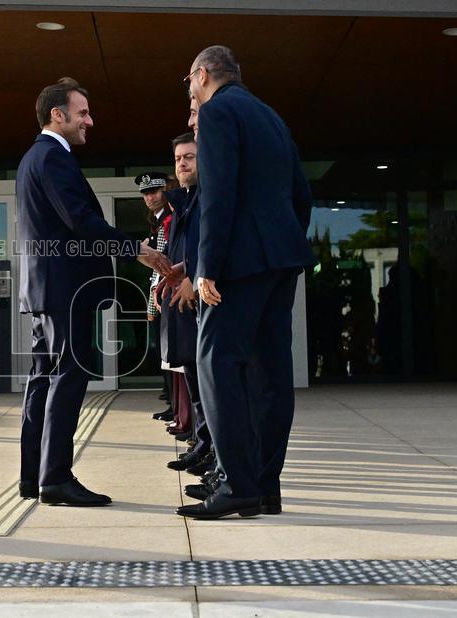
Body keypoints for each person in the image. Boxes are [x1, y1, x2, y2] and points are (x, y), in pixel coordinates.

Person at [16, 77, 172, 506]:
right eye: (82, 112)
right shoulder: (53, 157)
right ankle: (56, 479)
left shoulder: (35, 157)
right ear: (57, 114)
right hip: (66, 289)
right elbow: (80, 220)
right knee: (67, 377)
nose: (90, 120)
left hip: (46, 289)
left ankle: (34, 475)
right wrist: (132, 249)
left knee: (42, 380)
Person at [176, 45, 315, 520]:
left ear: (202, 75)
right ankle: (264, 487)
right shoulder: (272, 117)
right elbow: (301, 193)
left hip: (237, 264)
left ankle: (237, 484)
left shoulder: (217, 111)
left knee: (213, 361)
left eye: (189, 82)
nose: (190, 90)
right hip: (281, 260)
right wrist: (284, 245)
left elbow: (219, 194)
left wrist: (207, 266)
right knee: (272, 374)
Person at [160, 128, 216, 480]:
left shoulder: (208, 196)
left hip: (203, 299)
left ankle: (212, 451)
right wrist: (178, 270)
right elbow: (189, 249)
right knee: (193, 377)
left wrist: (193, 277)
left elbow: (210, 246)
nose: (182, 164)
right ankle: (203, 444)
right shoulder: (185, 199)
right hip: (184, 298)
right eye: (178, 159)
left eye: (189, 157)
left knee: (210, 384)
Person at [136, 172, 175, 423]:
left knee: (172, 355)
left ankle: (178, 408)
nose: (150, 197)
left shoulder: (169, 220)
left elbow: (165, 263)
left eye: (155, 191)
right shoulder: (159, 222)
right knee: (164, 354)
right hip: (160, 294)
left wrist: (142, 255)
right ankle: (174, 404)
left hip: (170, 293)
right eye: (146, 193)